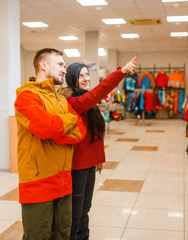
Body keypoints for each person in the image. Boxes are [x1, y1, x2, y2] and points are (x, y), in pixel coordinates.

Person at [14, 48, 87, 240]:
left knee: (62, 234)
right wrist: (68, 121)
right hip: (38, 182)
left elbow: (81, 131)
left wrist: (56, 130)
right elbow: (46, 127)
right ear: (43, 65)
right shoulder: (26, 96)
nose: (65, 70)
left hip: (64, 181)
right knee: (38, 236)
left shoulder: (60, 99)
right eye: (61, 65)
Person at [63, 56, 138, 240]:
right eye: (81, 76)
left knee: (85, 209)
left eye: (87, 74)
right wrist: (121, 73)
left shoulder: (90, 104)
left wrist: (98, 159)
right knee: (76, 212)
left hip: (89, 165)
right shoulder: (74, 102)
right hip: (77, 167)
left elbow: (96, 135)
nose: (86, 78)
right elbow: (99, 91)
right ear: (72, 79)